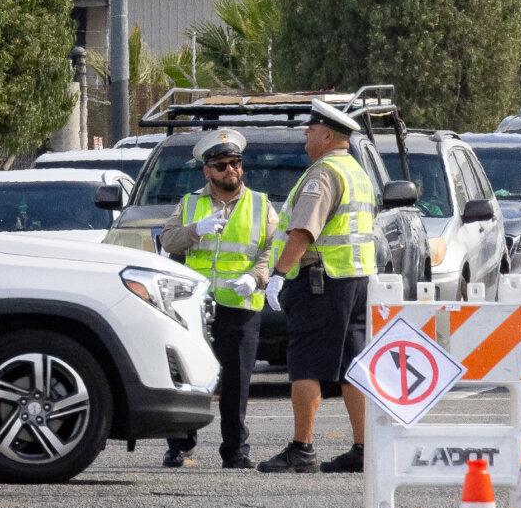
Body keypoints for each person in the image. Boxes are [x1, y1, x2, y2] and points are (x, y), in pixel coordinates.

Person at [258, 100, 377, 474]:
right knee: (352, 366)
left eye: (310, 131)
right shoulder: (356, 171)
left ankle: (301, 448)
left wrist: (278, 273)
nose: (307, 137)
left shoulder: (322, 174)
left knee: (305, 363)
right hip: (355, 281)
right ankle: (363, 448)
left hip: (320, 281)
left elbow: (304, 230)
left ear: (326, 135)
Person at [159, 129, 277, 469]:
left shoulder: (261, 205)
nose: (231, 171)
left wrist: (254, 278)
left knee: (237, 381)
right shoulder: (190, 204)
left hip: (240, 304)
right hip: (195, 306)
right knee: (188, 377)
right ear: (207, 171)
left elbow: (272, 249)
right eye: (222, 165)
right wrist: (197, 229)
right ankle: (180, 445)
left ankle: (236, 450)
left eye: (236, 163)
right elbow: (169, 241)